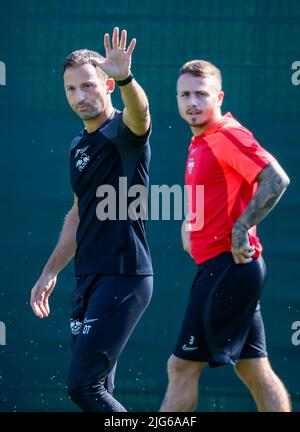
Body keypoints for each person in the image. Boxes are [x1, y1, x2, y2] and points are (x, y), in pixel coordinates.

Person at [30, 27, 153, 412]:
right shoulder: (77, 145)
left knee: (83, 388)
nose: (80, 96)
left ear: (107, 87)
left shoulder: (123, 131)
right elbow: (78, 214)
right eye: (71, 89)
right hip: (88, 279)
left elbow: (142, 114)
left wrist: (126, 77)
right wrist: (50, 271)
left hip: (123, 276)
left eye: (88, 86)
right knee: (97, 389)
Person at [160, 60, 291, 412]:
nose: (192, 102)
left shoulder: (226, 134)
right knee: (254, 369)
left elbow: (276, 180)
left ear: (218, 96)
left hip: (228, 267)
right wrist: (190, 222)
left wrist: (239, 229)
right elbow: (219, 192)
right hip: (229, 269)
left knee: (182, 367)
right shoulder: (200, 140)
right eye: (184, 94)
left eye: (201, 94)